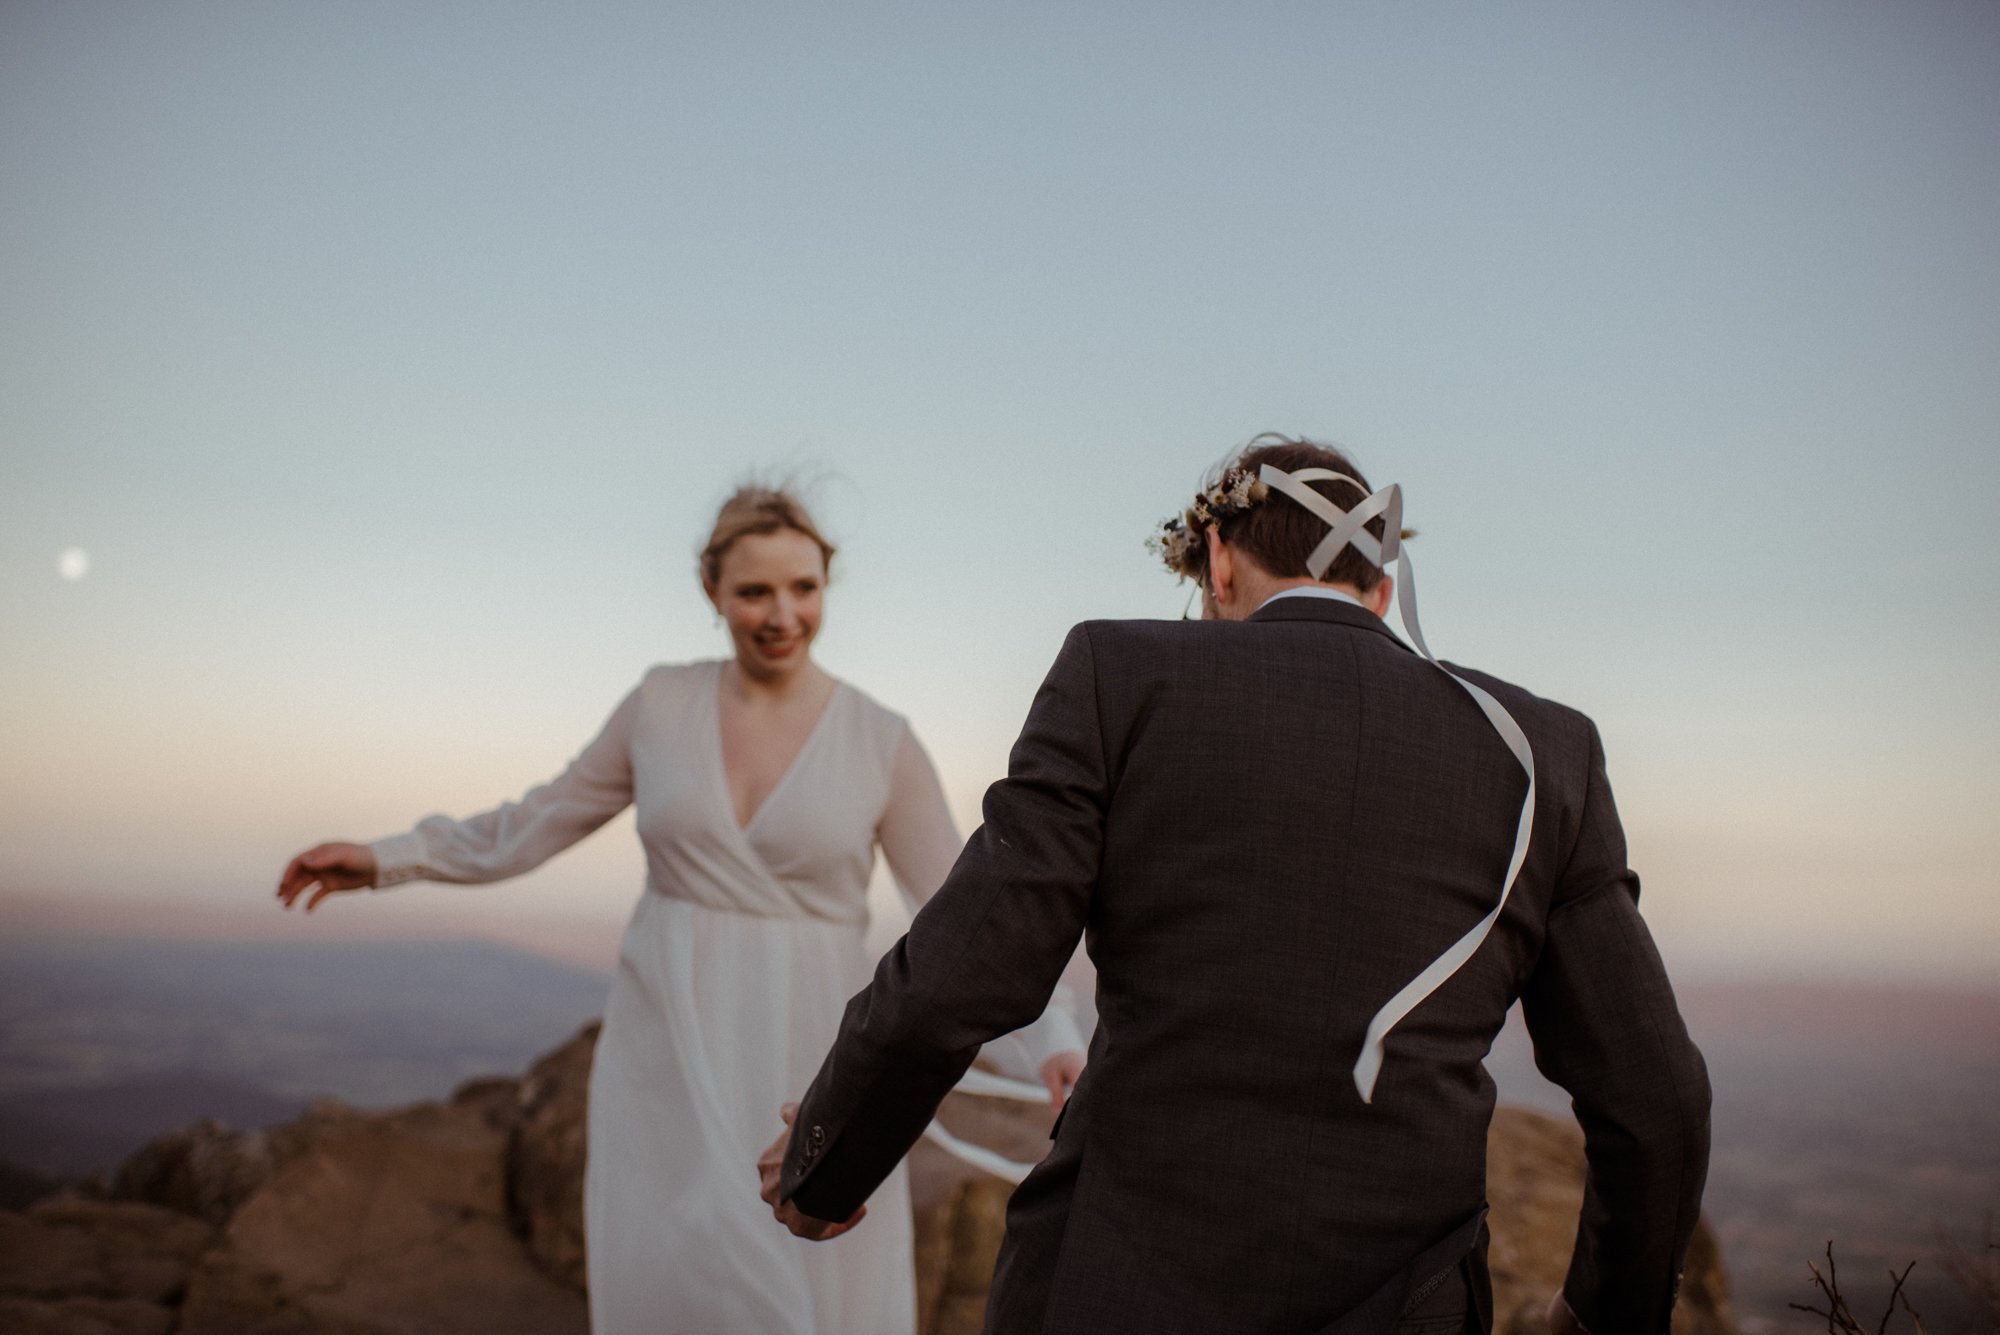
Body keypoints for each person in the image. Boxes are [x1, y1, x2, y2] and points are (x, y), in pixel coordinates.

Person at [759, 437, 1711, 1334]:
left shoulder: (1120, 674)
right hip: (1403, 1305)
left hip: (1111, 1282)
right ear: (1380, 589)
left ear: (1217, 560)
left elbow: (967, 968)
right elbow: (1655, 1093)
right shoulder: (1547, 752)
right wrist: (1606, 1313)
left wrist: (828, 1164)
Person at [277, 484, 1085, 1335]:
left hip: (810, 1042)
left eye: (803, 588)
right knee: (678, 1272)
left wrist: (1054, 1043)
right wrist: (387, 860)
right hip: (665, 1040)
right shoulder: (658, 704)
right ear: (712, 592)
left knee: (786, 1281)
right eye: (754, 591)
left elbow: (964, 911)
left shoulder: (880, 737)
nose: (783, 614)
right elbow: (533, 822)